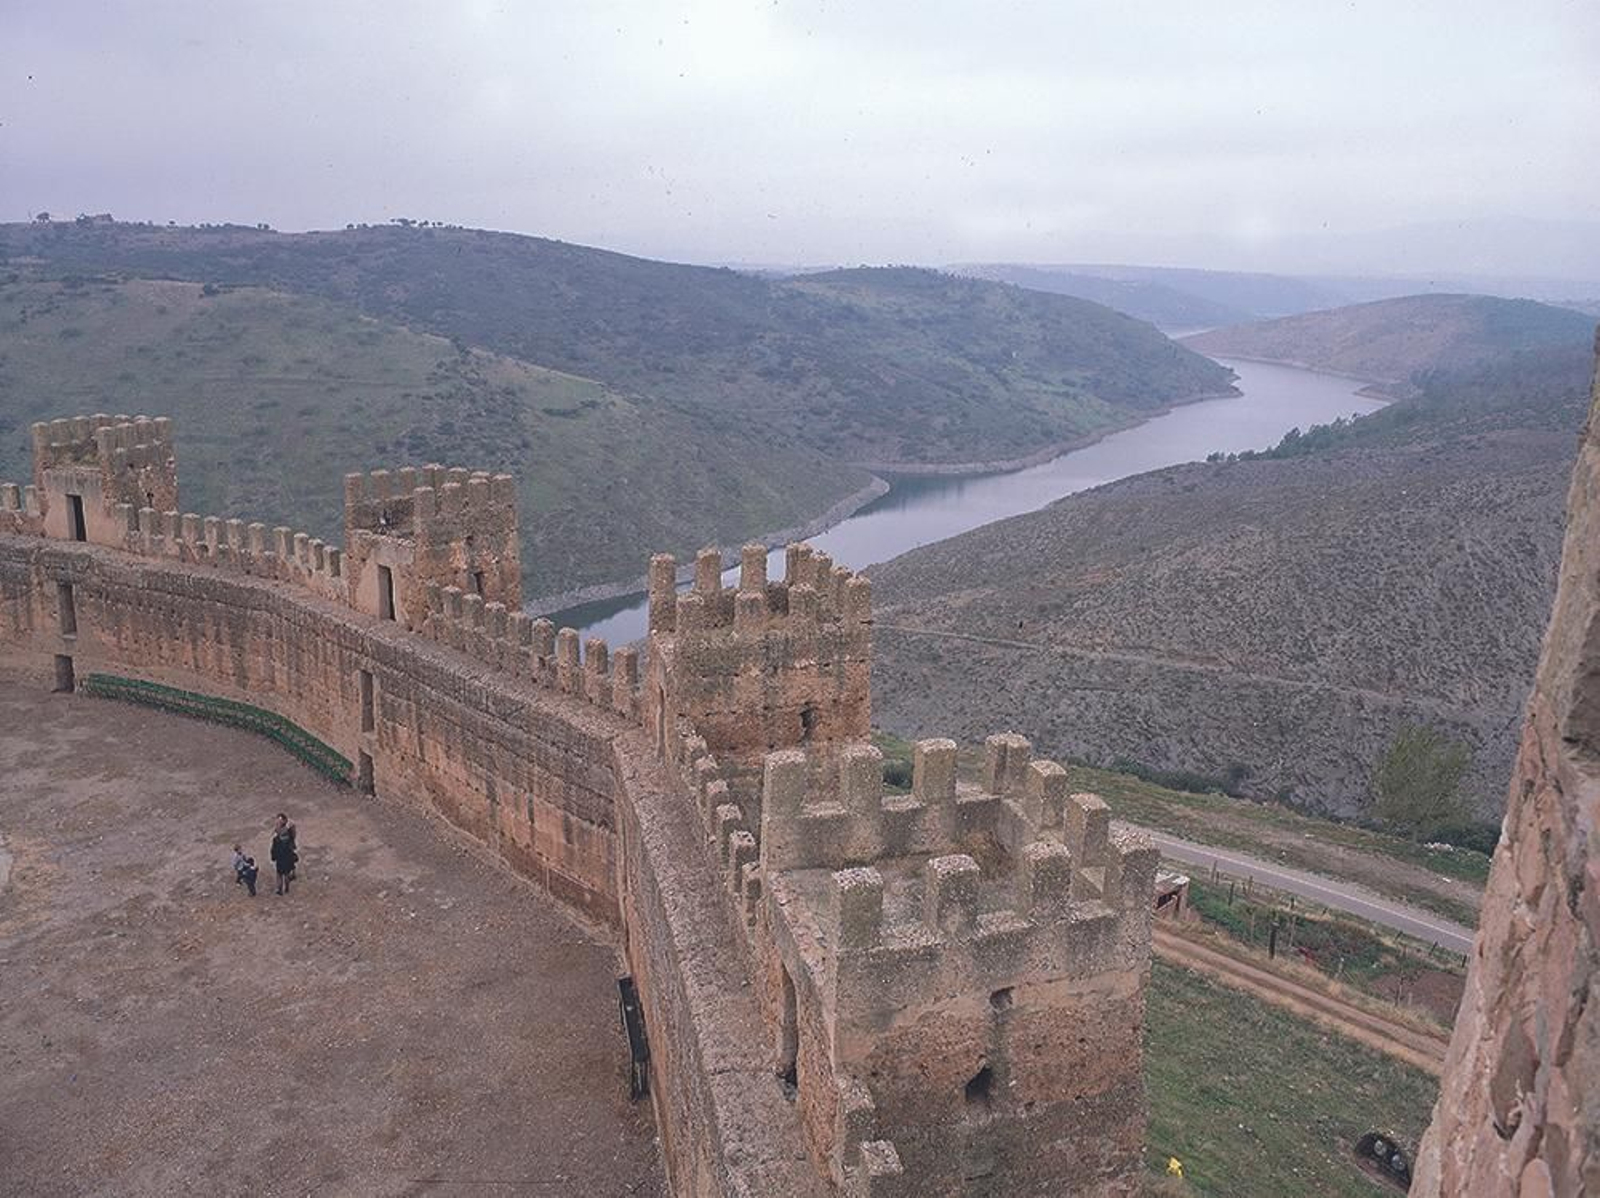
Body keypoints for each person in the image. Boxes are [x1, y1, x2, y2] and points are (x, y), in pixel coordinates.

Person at [269, 814, 298, 896]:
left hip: (281, 857)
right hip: (287, 856)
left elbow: (273, 849)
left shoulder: (277, 839)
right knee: (286, 874)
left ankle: (280, 889)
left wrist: (273, 857)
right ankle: (286, 888)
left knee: (280, 874)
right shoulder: (289, 836)